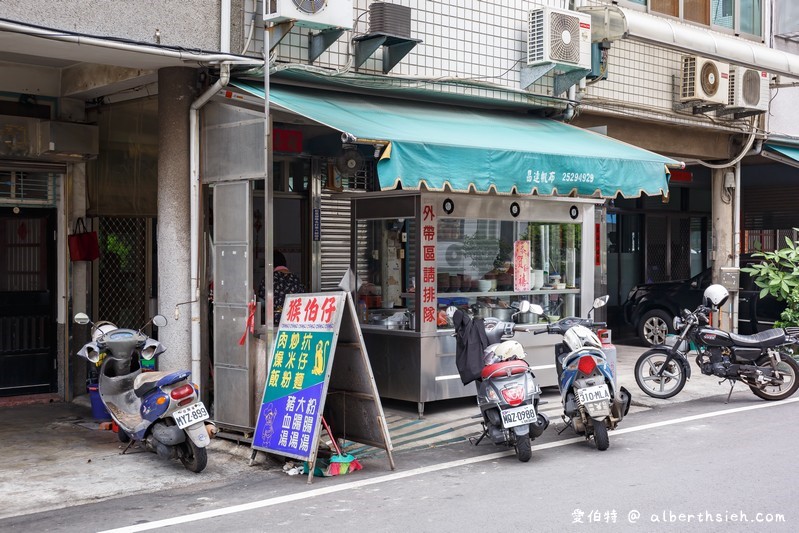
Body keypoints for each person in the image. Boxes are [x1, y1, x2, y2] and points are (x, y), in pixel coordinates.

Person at [259, 251, 305, 326]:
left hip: (273, 322)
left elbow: (262, 301)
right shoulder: (296, 279)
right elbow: (303, 300)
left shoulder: (269, 279)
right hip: (293, 320)